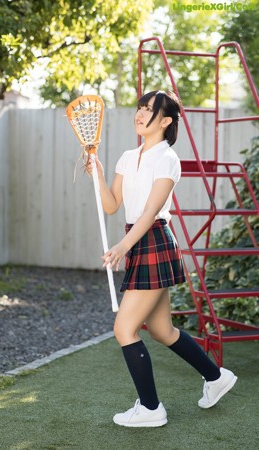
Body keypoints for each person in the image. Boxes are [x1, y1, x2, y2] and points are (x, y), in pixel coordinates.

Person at [86, 90, 237, 428]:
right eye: (140, 108)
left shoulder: (168, 158)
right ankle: (216, 377)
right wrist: (96, 171)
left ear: (166, 121)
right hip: (137, 239)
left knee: (124, 328)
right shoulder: (127, 156)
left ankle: (151, 408)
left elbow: (151, 212)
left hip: (152, 239)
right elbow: (112, 206)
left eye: (149, 110)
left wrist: (123, 245)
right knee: (160, 329)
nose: (140, 114)